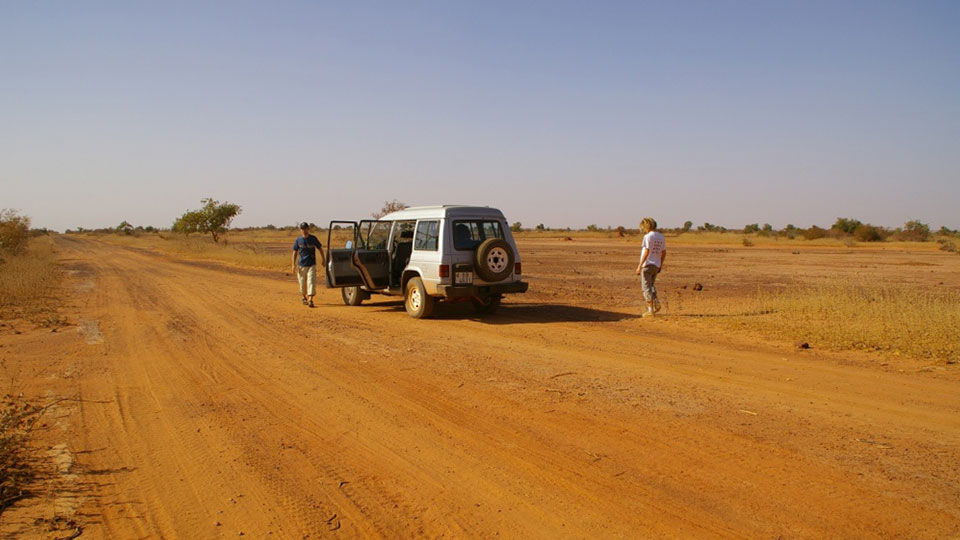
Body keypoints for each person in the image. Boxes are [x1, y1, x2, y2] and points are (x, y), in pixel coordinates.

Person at [635, 217, 666, 317]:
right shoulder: (661, 237)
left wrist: (639, 266)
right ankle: (655, 302)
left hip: (647, 265)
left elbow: (647, 252)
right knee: (651, 285)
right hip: (656, 265)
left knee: (646, 287)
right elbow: (664, 252)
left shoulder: (648, 236)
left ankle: (650, 310)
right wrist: (660, 264)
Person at [292, 222, 325, 308]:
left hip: (311, 264)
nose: (304, 230)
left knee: (311, 281)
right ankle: (304, 297)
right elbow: (295, 252)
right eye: (302, 229)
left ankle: (310, 299)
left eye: (306, 228)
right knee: (302, 283)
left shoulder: (313, 239)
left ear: (308, 229)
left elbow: (320, 248)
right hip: (301, 264)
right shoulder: (298, 240)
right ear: (300, 230)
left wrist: (323, 259)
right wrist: (293, 264)